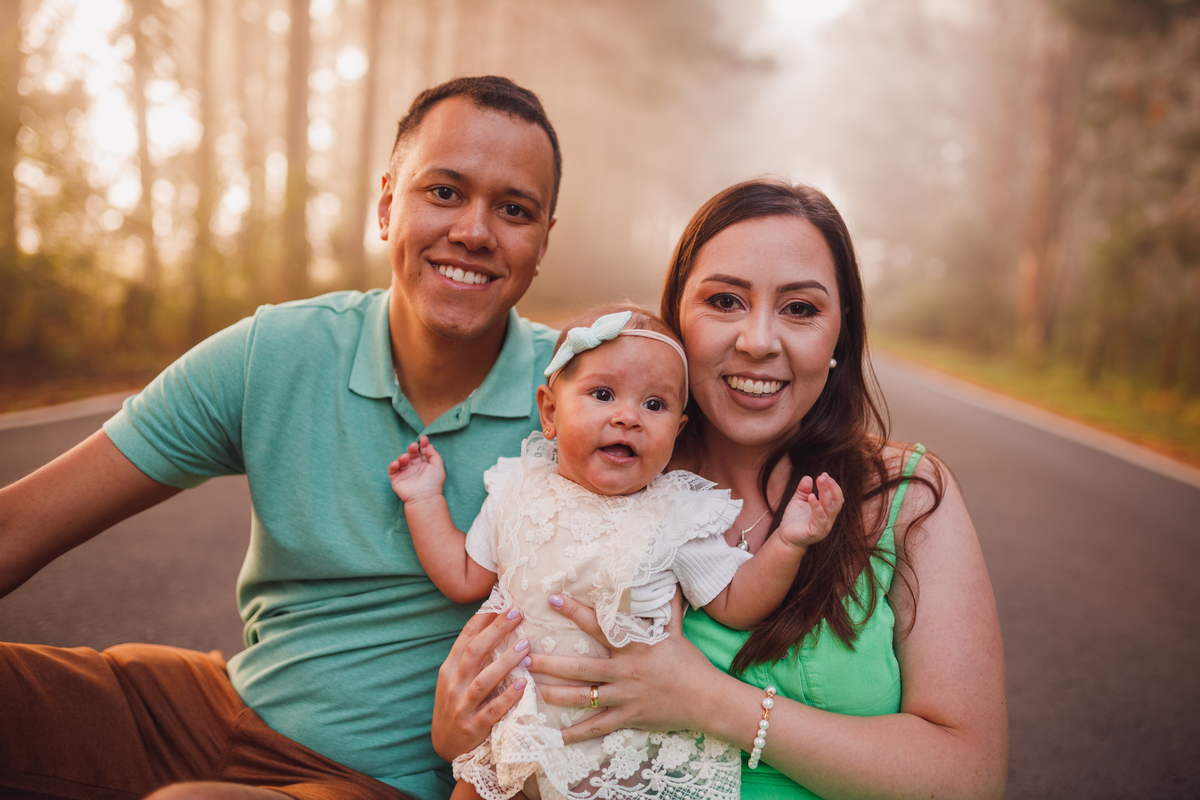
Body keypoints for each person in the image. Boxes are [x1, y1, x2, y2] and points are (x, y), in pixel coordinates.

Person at [0, 76, 564, 800]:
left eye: (513, 210)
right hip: (218, 708)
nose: (474, 231)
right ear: (388, 204)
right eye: (445, 192)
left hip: (372, 782)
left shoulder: (583, 402)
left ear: (543, 241)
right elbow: (17, 525)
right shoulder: (276, 351)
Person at [430, 180, 1009, 800]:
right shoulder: (600, 475)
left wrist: (711, 703)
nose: (758, 341)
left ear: (841, 335)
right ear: (678, 319)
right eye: (726, 301)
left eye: (800, 309)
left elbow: (969, 779)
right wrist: (454, 731)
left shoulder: (904, 496)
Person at [388, 304, 843, 800]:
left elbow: (738, 603)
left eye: (655, 405)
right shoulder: (516, 490)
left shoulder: (674, 514)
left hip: (621, 751)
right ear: (550, 412)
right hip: (516, 728)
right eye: (603, 394)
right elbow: (462, 575)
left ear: (679, 428)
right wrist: (424, 499)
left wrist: (789, 541)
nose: (627, 417)